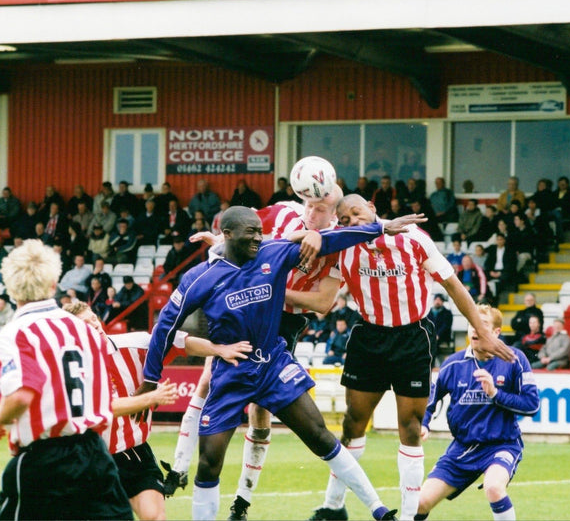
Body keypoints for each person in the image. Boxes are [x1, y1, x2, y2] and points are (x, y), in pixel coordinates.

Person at [139, 206, 427, 521]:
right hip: (233, 373)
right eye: (250, 232)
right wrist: (149, 381)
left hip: (273, 365)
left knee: (320, 434)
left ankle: (379, 510)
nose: (257, 237)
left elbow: (332, 240)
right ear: (229, 234)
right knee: (209, 462)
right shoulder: (200, 278)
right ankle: (191, 481)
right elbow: (164, 327)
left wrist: (381, 227)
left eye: (259, 231)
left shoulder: (272, 253)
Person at [311, 194, 514, 521]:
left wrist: (484, 331)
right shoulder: (339, 247)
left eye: (357, 213)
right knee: (353, 423)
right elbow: (322, 297)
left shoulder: (414, 240)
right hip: (369, 335)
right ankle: (333, 507)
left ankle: (407, 518)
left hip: (412, 337)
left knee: (409, 427)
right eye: (345, 219)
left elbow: (454, 286)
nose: (353, 222)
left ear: (372, 210)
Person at [0, 239, 132, 520]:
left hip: (44, 458)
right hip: (95, 454)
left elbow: (21, 394)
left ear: (11, 288)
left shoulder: (14, 334)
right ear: (54, 283)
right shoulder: (86, 330)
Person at [63, 300, 248, 521]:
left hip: (133, 453)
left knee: (155, 517)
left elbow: (180, 341)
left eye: (94, 318)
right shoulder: (73, 367)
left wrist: (219, 349)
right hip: (90, 458)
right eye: (85, 324)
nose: (94, 325)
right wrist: (152, 397)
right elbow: (103, 408)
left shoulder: (134, 345)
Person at [415, 305, 539, 521]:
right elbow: (431, 397)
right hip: (462, 447)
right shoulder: (453, 364)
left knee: (494, 487)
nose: (474, 330)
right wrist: (424, 423)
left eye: (481, 325)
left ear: (496, 333)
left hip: (502, 443)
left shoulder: (514, 359)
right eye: (471, 324)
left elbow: (532, 404)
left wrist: (495, 393)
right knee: (420, 502)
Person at [427, 293, 453, 361]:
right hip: (430, 337)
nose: (438, 301)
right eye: (436, 299)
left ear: (443, 302)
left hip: (443, 338)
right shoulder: (428, 313)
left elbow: (446, 326)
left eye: (440, 300)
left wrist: (438, 335)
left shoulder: (447, 313)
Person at [552, 176, 570, 242]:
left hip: (566, 213)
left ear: (567, 184)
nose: (562, 185)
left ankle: (560, 238)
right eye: (560, 184)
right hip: (555, 212)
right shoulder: (554, 193)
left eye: (563, 184)